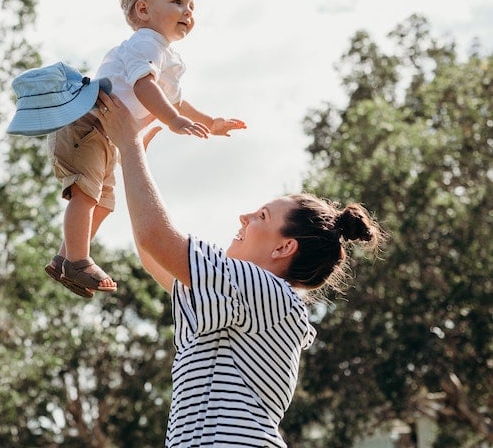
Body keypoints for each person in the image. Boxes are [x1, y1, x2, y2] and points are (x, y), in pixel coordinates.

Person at [94, 91, 384, 447]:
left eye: (261, 216)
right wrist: (130, 157)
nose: (243, 217)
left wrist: (130, 143)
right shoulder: (245, 296)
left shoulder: (267, 291)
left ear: (283, 247)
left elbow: (157, 239)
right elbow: (152, 255)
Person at [45, 0, 246, 298]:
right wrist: (171, 120)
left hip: (107, 135)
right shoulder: (145, 43)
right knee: (86, 194)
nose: (188, 12)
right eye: (178, 2)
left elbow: (177, 102)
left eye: (192, 7)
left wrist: (211, 123)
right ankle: (78, 260)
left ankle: (66, 258)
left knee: (105, 203)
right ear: (143, 9)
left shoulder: (168, 56)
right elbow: (144, 87)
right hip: (87, 123)